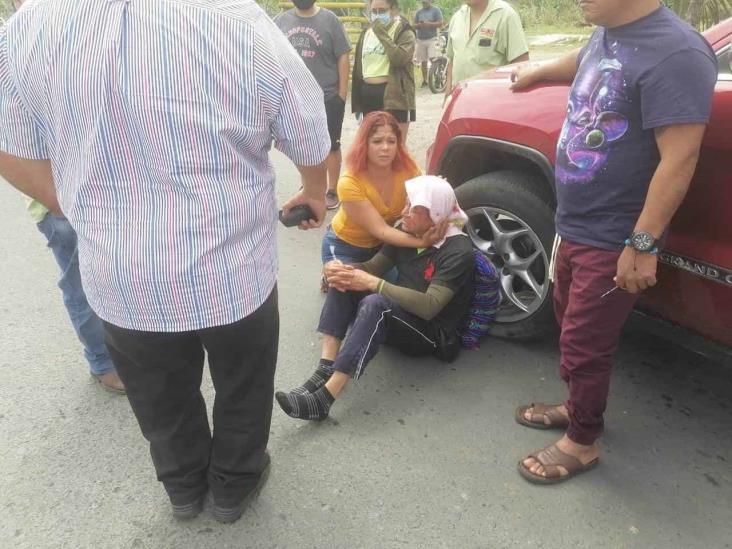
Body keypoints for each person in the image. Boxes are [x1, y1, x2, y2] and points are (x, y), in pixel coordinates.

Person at [0, 0, 330, 522]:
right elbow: (309, 126)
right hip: (232, 272)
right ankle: (232, 488)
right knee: (243, 385)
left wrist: (82, 210)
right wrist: (314, 190)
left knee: (159, 396)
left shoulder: (27, 29)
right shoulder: (232, 17)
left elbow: (8, 145)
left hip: (121, 279)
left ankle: (182, 488)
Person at [509, 0, 717, 484]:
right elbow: (584, 59)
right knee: (567, 319)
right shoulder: (608, 30)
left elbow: (680, 158)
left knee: (585, 341)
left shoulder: (678, 52)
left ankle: (582, 442)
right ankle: (575, 403)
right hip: (575, 222)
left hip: (614, 234)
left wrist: (642, 244)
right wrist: (536, 72)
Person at [276, 176, 474, 421]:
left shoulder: (459, 251)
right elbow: (373, 267)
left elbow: (430, 307)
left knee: (375, 303)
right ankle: (324, 368)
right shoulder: (408, 230)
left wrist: (373, 284)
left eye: (414, 208)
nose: (405, 213)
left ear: (435, 213)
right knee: (347, 276)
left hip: (431, 334)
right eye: (406, 204)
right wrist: (339, 270)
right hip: (399, 313)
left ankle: (324, 399)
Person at [8, 0, 124, 395]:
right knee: (80, 284)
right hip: (60, 201)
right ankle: (102, 361)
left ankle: (128, 352)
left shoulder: (79, 42)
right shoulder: (15, 45)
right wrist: (57, 201)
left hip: (103, 189)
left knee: (117, 276)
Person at [322, 111, 443, 279]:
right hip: (344, 246)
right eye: (377, 141)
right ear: (364, 144)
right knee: (344, 283)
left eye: (391, 141)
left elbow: (427, 204)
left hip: (382, 249)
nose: (385, 148)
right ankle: (331, 273)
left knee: (393, 292)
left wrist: (440, 191)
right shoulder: (349, 181)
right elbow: (381, 230)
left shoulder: (409, 171)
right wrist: (423, 242)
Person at [275, 0, 351, 211]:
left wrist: (341, 95)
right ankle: (309, 187)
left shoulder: (330, 20)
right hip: (295, 98)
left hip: (327, 96)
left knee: (331, 144)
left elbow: (343, 55)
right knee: (304, 144)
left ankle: (331, 189)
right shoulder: (281, 21)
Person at [352, 0, 416, 140]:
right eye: (374, 11)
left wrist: (381, 34)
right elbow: (359, 68)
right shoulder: (367, 33)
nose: (377, 15)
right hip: (367, 95)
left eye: (382, 11)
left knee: (395, 145)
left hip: (393, 96)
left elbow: (399, 59)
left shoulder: (404, 31)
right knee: (370, 144)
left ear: (393, 9)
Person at [445, 0, 529, 99]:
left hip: (492, 103)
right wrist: (448, 96)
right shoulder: (457, 17)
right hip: (460, 102)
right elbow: (452, 60)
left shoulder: (505, 15)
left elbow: (521, 63)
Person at [413, 0, 444, 88]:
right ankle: (425, 80)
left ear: (430, 1)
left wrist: (428, 24)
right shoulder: (419, 12)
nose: (424, 4)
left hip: (432, 38)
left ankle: (437, 78)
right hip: (421, 39)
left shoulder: (436, 10)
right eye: (422, 2)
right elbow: (414, 25)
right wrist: (419, 25)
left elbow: (440, 23)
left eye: (425, 2)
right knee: (423, 61)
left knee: (433, 59)